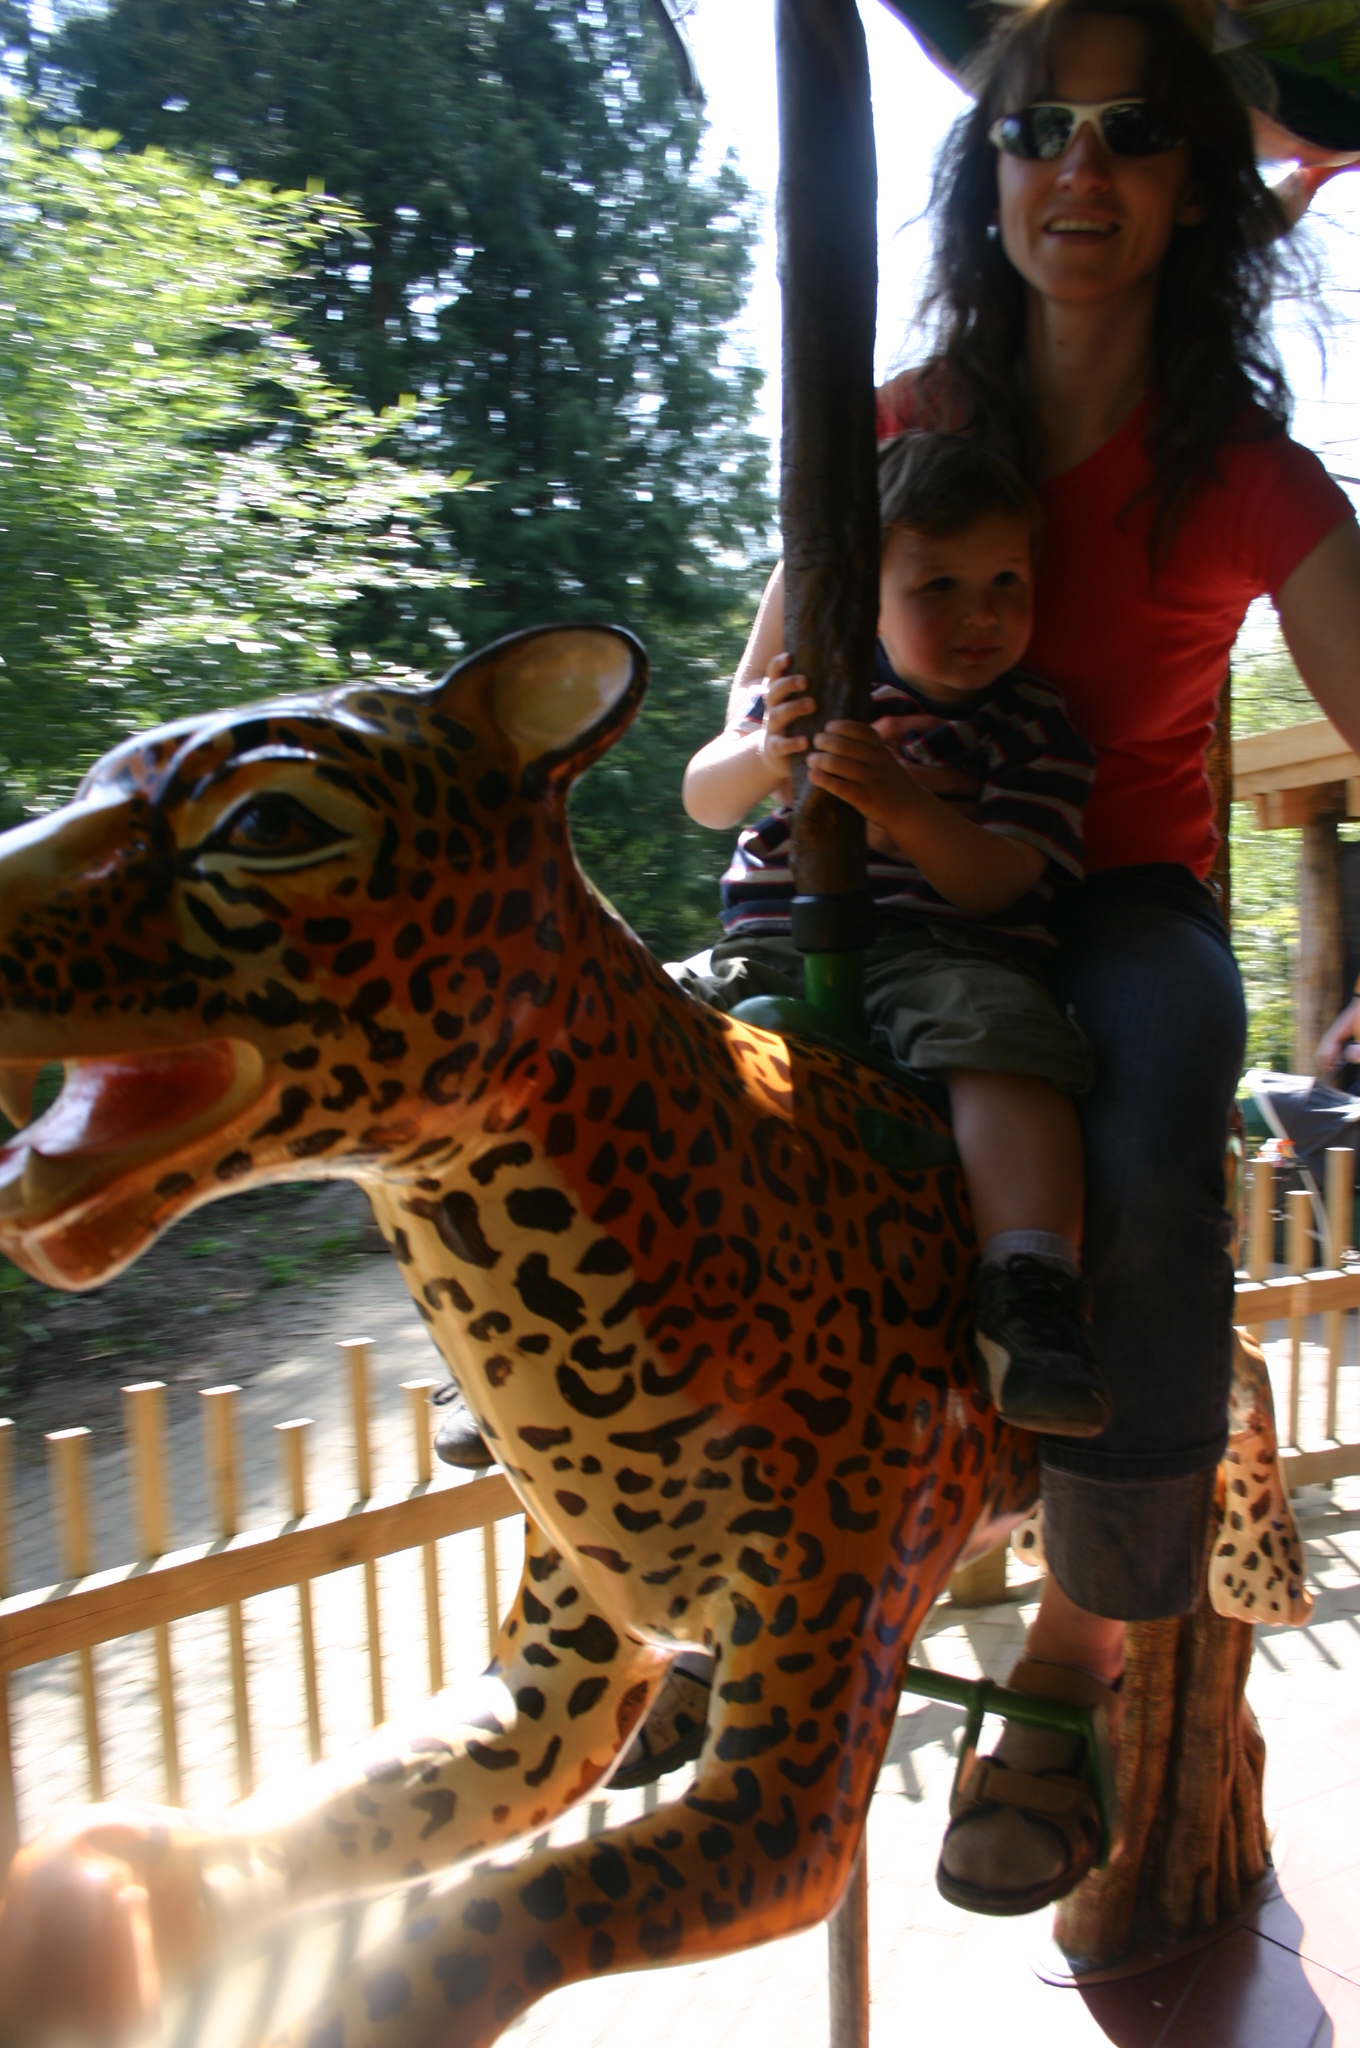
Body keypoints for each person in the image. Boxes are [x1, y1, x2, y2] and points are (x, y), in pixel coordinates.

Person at [724, 0, 1360, 1915]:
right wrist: (777, 752)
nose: (1080, 168)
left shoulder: (1249, 477)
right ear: (988, 172)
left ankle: (1074, 1655)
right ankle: (664, 1557)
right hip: (888, 892)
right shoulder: (897, 427)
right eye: (1039, 130)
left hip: (1118, 892)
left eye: (1133, 131)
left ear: (1197, 188)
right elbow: (755, 709)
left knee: (1149, 1111)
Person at [679, 429, 1108, 1438]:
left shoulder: (1030, 724)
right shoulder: (807, 684)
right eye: (939, 586)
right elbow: (703, 797)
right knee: (624, 1025)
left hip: (943, 953)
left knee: (1007, 1042)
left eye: (1006, 581)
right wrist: (761, 752)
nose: (981, 613)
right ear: (867, 596)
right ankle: (567, 1269)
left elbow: (1002, 880)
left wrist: (906, 809)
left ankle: (1028, 1287)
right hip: (768, 943)